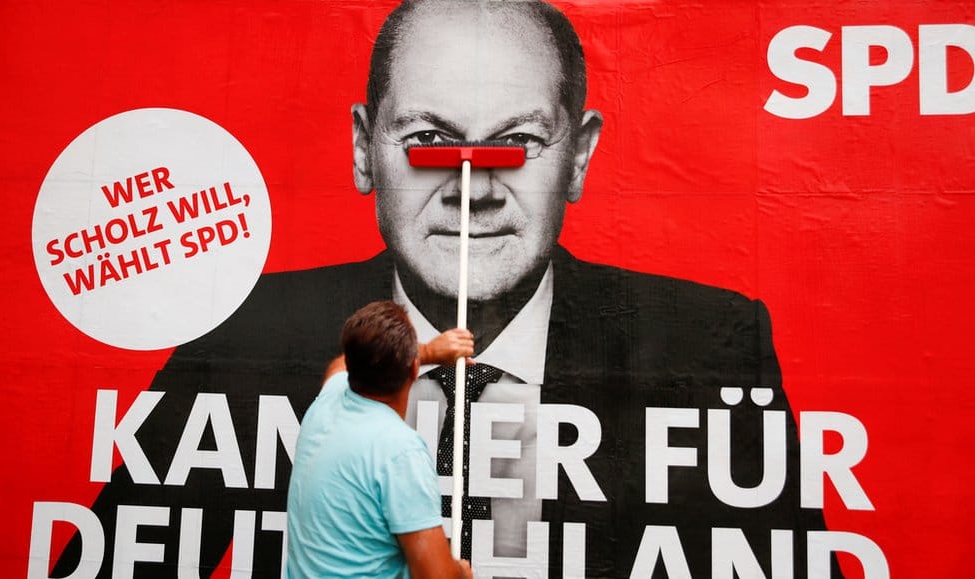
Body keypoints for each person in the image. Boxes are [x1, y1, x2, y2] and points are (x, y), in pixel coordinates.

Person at [55, 1, 841, 577]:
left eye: (517, 142)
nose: (474, 187)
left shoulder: (709, 342)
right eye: (429, 140)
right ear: (365, 150)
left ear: (577, 158)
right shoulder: (244, 330)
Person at [286, 301, 473, 578]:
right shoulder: (401, 452)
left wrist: (427, 351)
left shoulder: (328, 400)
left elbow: (339, 364)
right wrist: (460, 573)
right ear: (413, 368)